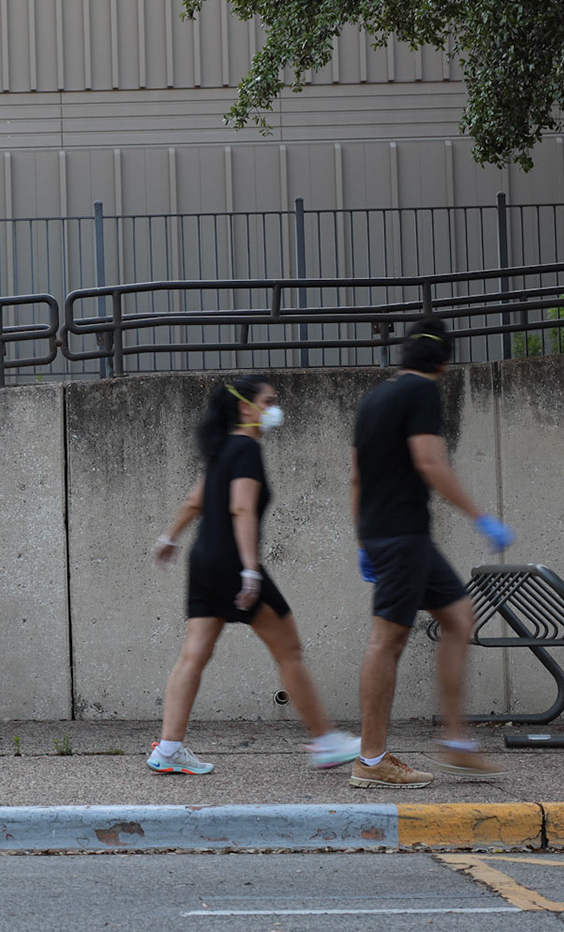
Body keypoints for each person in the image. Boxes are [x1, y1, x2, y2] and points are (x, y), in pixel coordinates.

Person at [147, 375, 360, 776]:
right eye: (270, 400)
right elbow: (241, 508)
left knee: (193, 657)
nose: (275, 406)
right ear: (247, 407)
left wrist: (169, 537)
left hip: (204, 560)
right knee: (289, 650)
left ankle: (169, 749)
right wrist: (249, 570)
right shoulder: (245, 447)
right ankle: (326, 741)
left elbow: (196, 500)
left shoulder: (222, 447)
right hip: (232, 562)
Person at [347, 318, 514, 789]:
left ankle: (456, 744)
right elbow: (429, 461)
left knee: (460, 616)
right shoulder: (421, 392)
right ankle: (372, 758)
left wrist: (362, 539)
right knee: (386, 641)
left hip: (393, 535)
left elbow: (356, 476)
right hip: (403, 535)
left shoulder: (375, 398)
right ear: (443, 363)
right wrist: (479, 516)